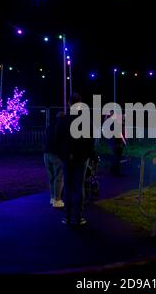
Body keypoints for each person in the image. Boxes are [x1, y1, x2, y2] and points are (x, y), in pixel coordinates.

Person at [56, 93, 95, 226]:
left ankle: (66, 217)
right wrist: (89, 155)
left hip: (67, 158)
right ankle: (78, 217)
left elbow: (58, 139)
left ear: (68, 103)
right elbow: (90, 140)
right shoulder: (85, 120)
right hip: (81, 158)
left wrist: (63, 154)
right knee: (79, 187)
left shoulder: (63, 120)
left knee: (68, 186)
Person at [43, 111, 65, 208]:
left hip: (46, 153)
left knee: (51, 177)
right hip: (55, 154)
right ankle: (57, 200)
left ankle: (52, 198)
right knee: (59, 177)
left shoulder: (49, 127)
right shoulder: (62, 127)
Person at [105, 111, 126, 176]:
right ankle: (116, 172)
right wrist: (123, 141)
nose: (123, 118)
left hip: (115, 142)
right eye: (123, 117)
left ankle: (112, 170)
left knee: (116, 156)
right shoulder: (118, 123)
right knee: (117, 157)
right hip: (117, 142)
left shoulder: (115, 123)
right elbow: (119, 133)